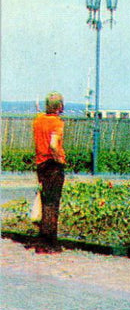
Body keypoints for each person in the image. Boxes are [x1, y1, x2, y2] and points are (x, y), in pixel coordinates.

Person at [32, 92, 66, 253]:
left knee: (45, 201)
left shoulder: (38, 120)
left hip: (41, 164)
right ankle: (49, 242)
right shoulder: (57, 123)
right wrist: (59, 159)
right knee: (53, 204)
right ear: (60, 106)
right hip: (53, 165)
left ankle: (42, 239)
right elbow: (53, 144)